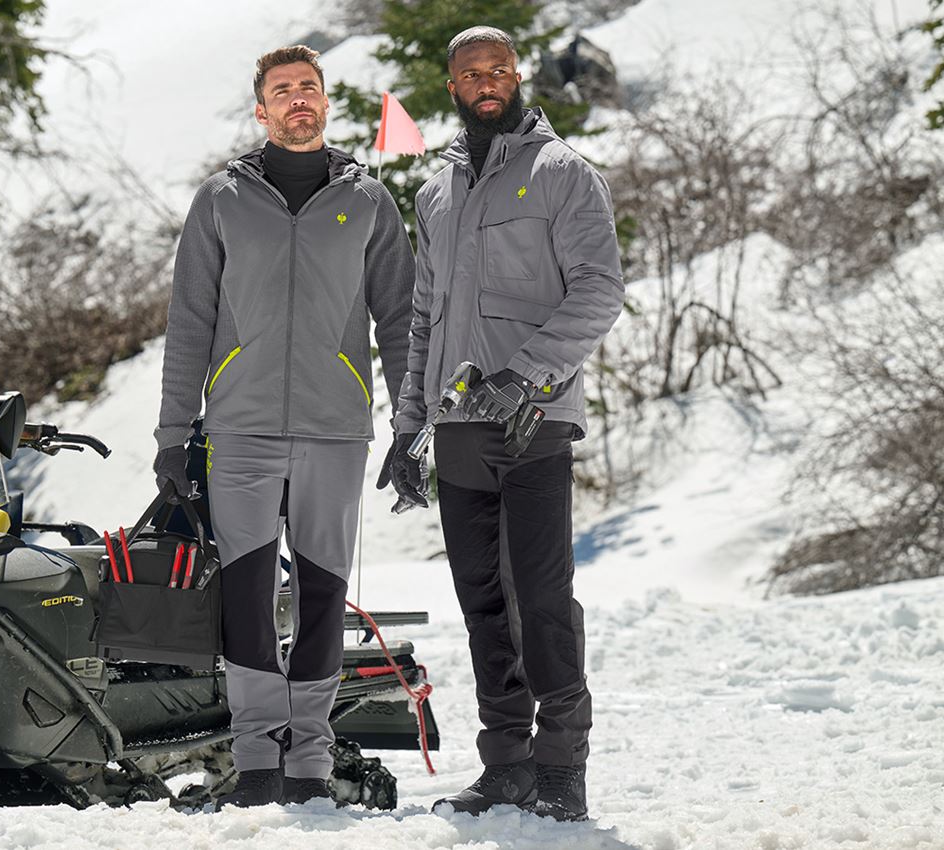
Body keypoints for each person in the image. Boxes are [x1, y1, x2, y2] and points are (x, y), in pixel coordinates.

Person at [154, 45, 414, 810]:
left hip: (336, 427)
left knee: (324, 594)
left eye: (309, 89)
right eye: (282, 91)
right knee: (246, 590)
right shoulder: (222, 200)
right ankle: (257, 762)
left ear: (327, 104)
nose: (298, 100)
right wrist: (175, 434)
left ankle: (309, 761)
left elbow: (400, 320)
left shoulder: (369, 201)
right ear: (260, 110)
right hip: (239, 428)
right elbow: (189, 320)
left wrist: (410, 425)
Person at [383, 26, 625, 822]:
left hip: (533, 422)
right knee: (482, 598)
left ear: (517, 76)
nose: (486, 83)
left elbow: (597, 291)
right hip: (457, 429)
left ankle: (562, 766)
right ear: (451, 86)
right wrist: (409, 427)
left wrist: (528, 375)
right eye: (470, 74)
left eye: (498, 70)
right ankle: (507, 765)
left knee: (540, 596)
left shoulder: (563, 175)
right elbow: (424, 319)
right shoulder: (437, 192)